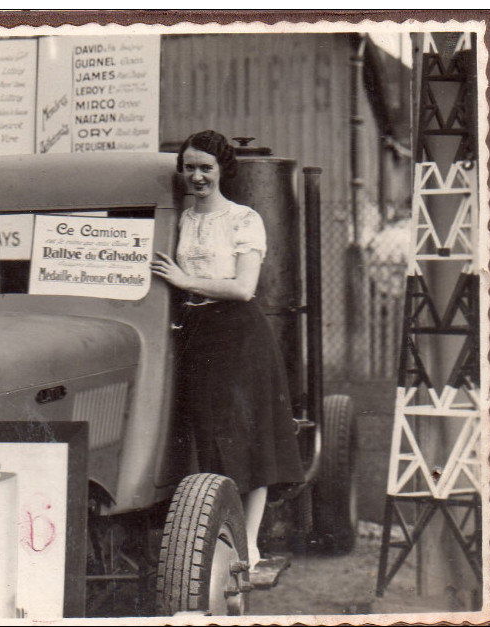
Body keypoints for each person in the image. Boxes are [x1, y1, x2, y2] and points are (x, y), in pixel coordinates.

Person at [151, 130, 304, 568]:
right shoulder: (180, 217)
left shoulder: (244, 219)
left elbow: (242, 288)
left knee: (249, 436)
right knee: (208, 437)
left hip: (239, 335)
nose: (197, 176)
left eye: (206, 168)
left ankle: (249, 543)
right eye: (190, 167)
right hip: (196, 331)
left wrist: (185, 281)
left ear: (222, 171)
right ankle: (214, 536)